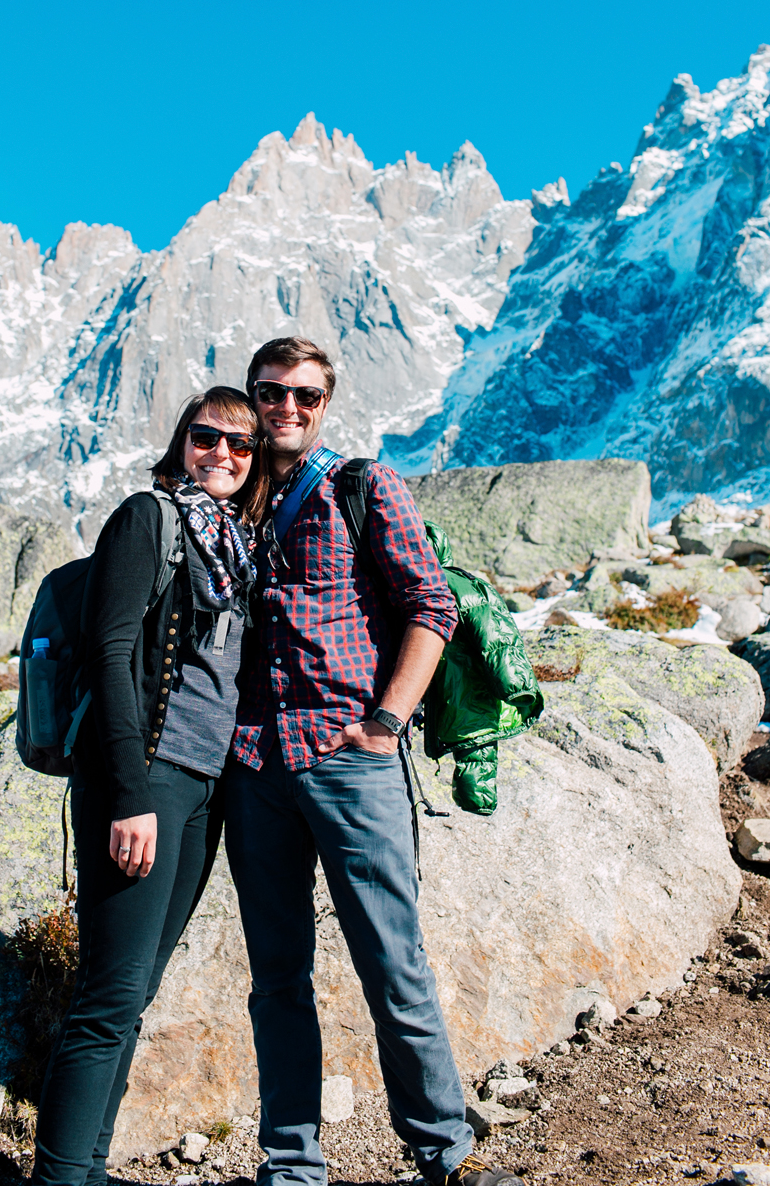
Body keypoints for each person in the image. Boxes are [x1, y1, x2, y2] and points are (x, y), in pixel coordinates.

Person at [224, 336, 522, 1186]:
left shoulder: (364, 485)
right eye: (273, 391)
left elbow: (432, 604)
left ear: (326, 405)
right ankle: (292, 1167)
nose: (287, 407)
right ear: (253, 396)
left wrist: (387, 721)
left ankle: (444, 1153)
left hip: (351, 758)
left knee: (392, 959)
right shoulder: (231, 495)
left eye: (306, 396)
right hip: (254, 767)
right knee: (276, 976)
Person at [31, 385, 268, 1186]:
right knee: (109, 993)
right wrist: (131, 794)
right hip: (147, 780)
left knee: (135, 990)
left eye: (241, 445)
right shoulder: (149, 517)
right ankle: (61, 1176)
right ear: (182, 442)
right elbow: (109, 653)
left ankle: (89, 1166)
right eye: (208, 438)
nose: (223, 456)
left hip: (204, 788)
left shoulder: (235, 542)